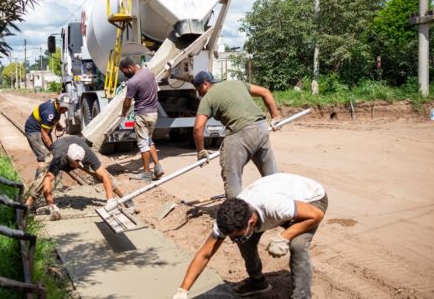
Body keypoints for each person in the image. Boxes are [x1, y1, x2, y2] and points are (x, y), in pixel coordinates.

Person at [172, 173, 328, 299]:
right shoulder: (227, 219)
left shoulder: (274, 206)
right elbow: (205, 254)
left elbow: (316, 215)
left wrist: (285, 236)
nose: (232, 240)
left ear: (251, 222)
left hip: (311, 200)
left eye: (235, 235)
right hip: (282, 203)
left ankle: (301, 296)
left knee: (298, 244)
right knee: (244, 241)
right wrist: (183, 290)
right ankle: (257, 283)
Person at [193, 71, 281, 199]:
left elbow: (198, 128)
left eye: (198, 89)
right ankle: (282, 205)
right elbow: (265, 92)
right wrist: (275, 117)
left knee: (232, 175)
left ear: (205, 84)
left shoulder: (208, 97)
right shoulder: (237, 83)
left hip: (240, 132)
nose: (199, 93)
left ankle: (236, 214)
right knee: (271, 175)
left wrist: (200, 150)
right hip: (260, 127)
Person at [24, 135, 135, 220]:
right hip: (59, 149)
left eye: (79, 164)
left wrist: (110, 199)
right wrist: (51, 204)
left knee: (107, 177)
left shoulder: (87, 155)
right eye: (75, 164)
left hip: (76, 148)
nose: (77, 167)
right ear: (68, 159)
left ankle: (124, 198)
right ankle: (28, 205)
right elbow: (48, 179)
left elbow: (104, 176)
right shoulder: (59, 158)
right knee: (43, 178)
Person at [119, 56, 164, 181]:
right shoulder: (149, 73)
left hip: (142, 115)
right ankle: (158, 167)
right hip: (153, 113)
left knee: (143, 143)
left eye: (125, 71)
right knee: (149, 140)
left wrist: (123, 113)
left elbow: (127, 102)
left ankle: (146, 172)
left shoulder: (133, 82)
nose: (125, 74)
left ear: (130, 67)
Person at [24, 93, 70, 177]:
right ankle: (37, 186)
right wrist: (52, 148)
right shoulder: (50, 112)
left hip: (43, 130)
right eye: (63, 107)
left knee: (52, 156)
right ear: (57, 102)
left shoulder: (56, 106)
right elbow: (44, 134)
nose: (64, 109)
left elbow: (54, 117)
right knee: (45, 159)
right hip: (34, 131)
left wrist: (57, 124)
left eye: (66, 107)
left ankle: (49, 181)